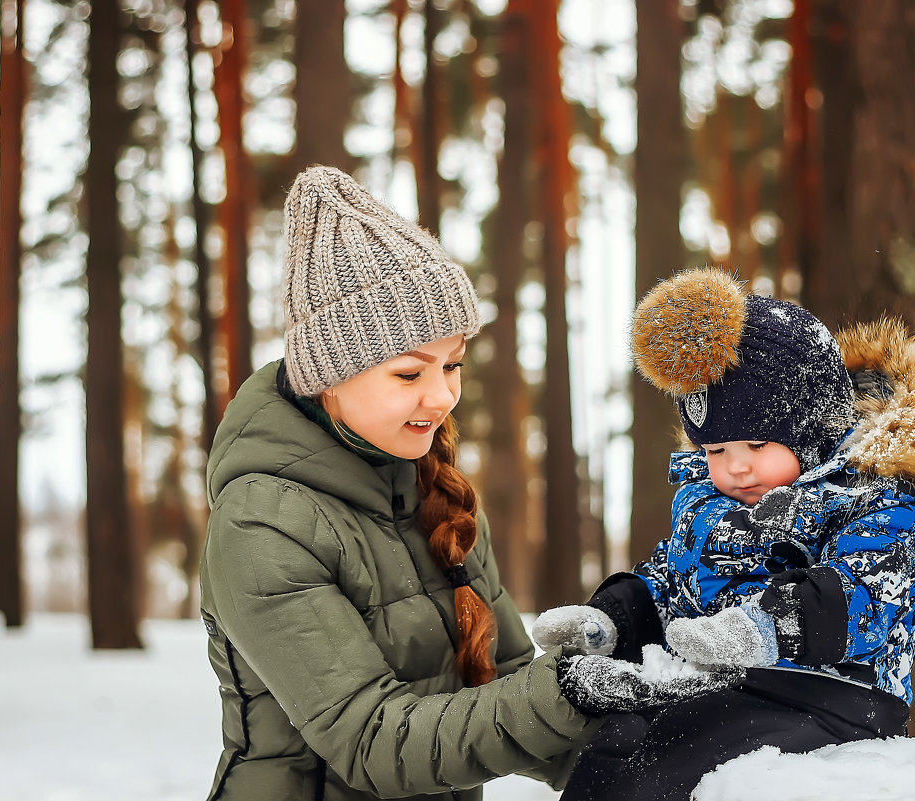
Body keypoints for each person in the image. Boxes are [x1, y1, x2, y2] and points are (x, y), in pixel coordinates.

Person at [198, 164, 627, 801]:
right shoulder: (260, 524)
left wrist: (665, 757)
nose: (442, 395)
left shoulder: (438, 494)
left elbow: (504, 685)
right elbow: (374, 742)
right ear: (328, 374)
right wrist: (565, 692)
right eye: (409, 374)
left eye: (452, 365)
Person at [534, 267, 915, 801]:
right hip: (725, 681)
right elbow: (671, 580)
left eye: (756, 446)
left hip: (829, 696)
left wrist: (762, 628)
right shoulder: (714, 503)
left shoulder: (885, 492)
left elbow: (867, 594)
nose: (735, 469)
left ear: (812, 426)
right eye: (715, 451)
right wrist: (611, 618)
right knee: (613, 752)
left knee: (659, 770)